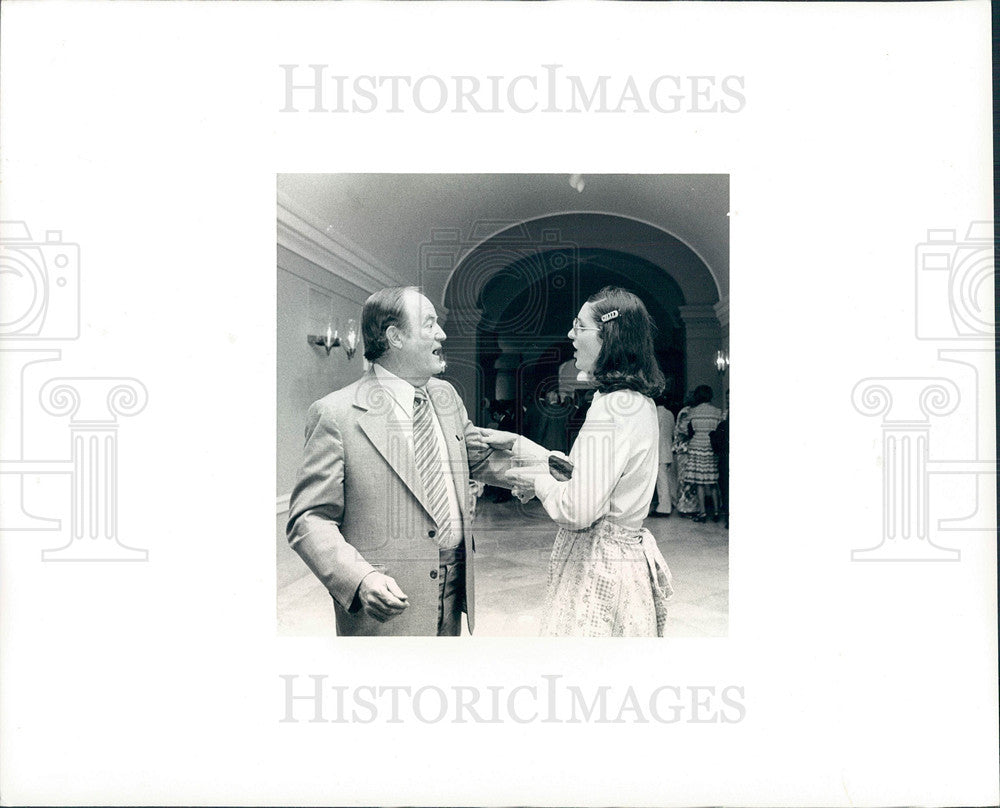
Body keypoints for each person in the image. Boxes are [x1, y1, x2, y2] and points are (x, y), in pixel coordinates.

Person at [285, 286, 519, 637]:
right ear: (395, 336)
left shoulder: (446, 396)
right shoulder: (335, 414)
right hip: (387, 608)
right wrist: (361, 578)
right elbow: (309, 519)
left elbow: (480, 457)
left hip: (454, 592)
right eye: (429, 324)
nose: (441, 334)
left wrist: (552, 470)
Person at [500, 287, 674, 637]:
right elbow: (604, 477)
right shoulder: (636, 402)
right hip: (624, 559)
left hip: (599, 563)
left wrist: (537, 483)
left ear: (608, 335)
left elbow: (579, 509)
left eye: (579, 327)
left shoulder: (610, 408)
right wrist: (535, 454)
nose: (571, 335)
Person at [687, 384, 723, 523]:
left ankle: (702, 513)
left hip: (696, 446)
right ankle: (716, 512)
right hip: (710, 448)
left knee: (699, 483)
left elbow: (687, 431)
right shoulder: (717, 412)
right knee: (713, 482)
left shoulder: (693, 412)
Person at [672, 393, 699, 516]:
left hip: (684, 449)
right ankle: (686, 507)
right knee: (685, 478)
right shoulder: (686, 412)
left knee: (686, 478)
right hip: (685, 449)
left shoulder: (686, 411)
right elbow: (684, 430)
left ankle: (688, 506)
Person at [651, 396, 677, 517]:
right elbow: (673, 432)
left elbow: (652, 433)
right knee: (668, 479)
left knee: (662, 481)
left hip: (658, 450)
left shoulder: (654, 413)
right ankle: (671, 503)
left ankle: (664, 508)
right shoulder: (670, 414)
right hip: (668, 448)